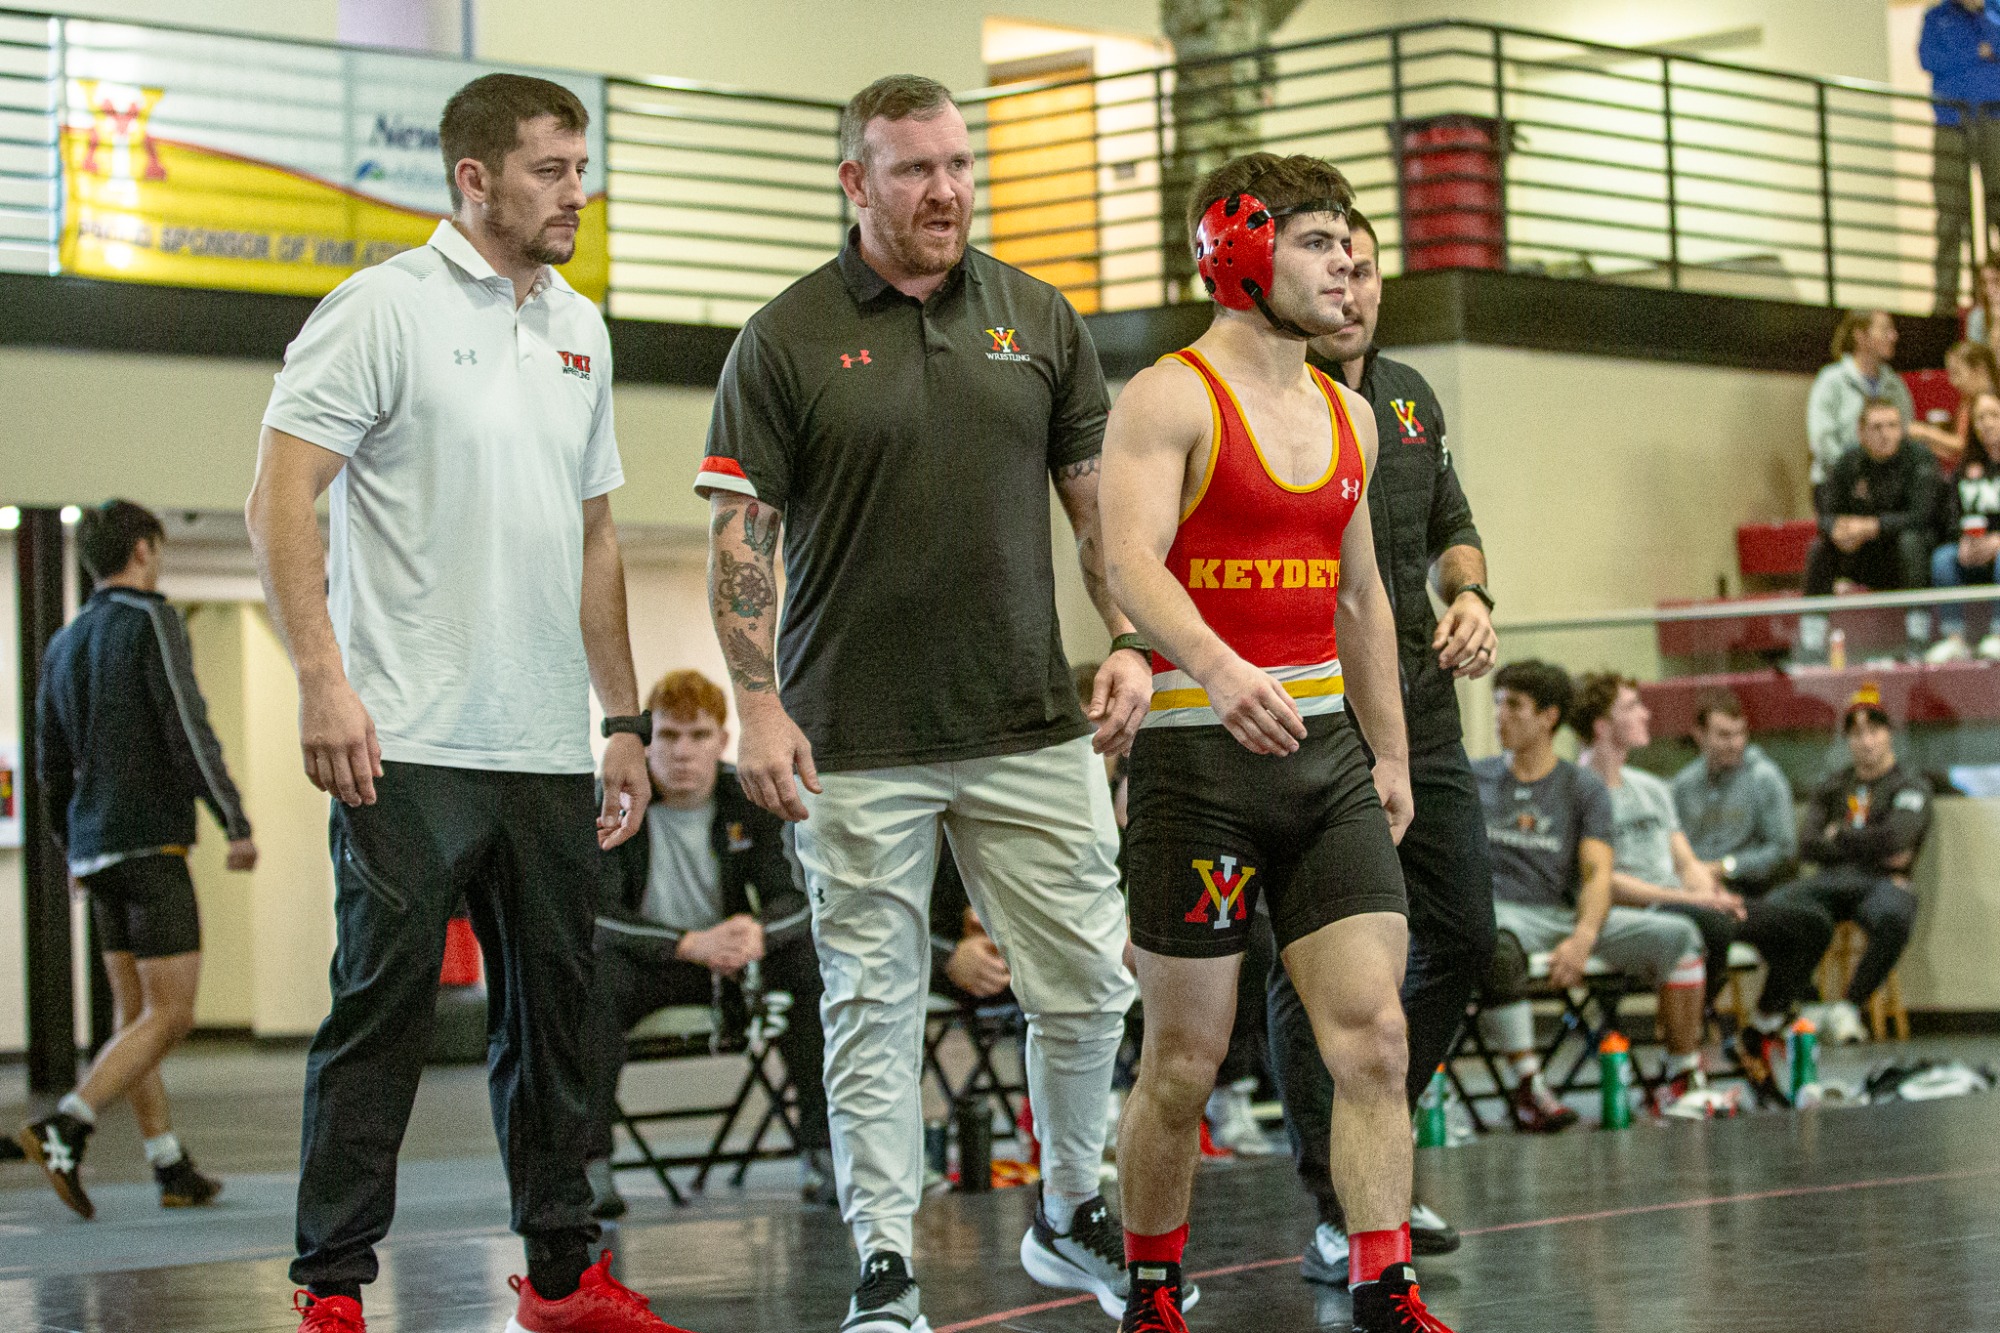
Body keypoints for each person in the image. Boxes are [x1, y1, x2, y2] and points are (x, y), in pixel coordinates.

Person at [695, 74, 1144, 1333]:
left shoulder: (1037, 316)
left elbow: (1095, 507)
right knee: (872, 1008)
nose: (945, 189)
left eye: (957, 163)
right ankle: (885, 1260)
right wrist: (756, 703)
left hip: (1025, 720)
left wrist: (1125, 640)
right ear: (854, 182)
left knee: (1086, 987)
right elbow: (743, 535)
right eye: (912, 169)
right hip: (853, 739)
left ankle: (1068, 1210)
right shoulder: (781, 338)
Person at [247, 74, 691, 1333]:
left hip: (550, 741)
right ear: (474, 179)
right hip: (405, 740)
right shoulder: (377, 309)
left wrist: (618, 719)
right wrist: (322, 680)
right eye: (550, 169)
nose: (576, 191)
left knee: (559, 1021)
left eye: (580, 165)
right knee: (379, 1012)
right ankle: (331, 1284)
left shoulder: (583, 329)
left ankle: (562, 1275)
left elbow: (596, 536)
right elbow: (280, 499)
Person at [1102, 151, 1456, 1333]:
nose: (1348, 262)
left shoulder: (1351, 412)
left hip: (1323, 763)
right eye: (1317, 243)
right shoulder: (1167, 395)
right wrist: (1211, 665)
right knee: (1183, 1060)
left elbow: (1362, 600)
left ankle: (1381, 1278)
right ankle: (1151, 1282)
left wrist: (1391, 754)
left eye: (1356, 246)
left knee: (1373, 1033)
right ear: (1238, 252)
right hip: (1198, 761)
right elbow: (1125, 563)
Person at [1266, 203, 1497, 1284]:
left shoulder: (1406, 395)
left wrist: (1473, 595)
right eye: (1330, 265)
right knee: (1310, 963)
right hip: (1310, 714)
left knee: (1465, 930)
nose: (1349, 288)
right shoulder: (1265, 398)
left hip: (1423, 705)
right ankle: (1339, 1200)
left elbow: (1451, 524)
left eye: (1364, 269)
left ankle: (1374, 1150)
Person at [21, 499, 256, 1219]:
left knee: (134, 1014)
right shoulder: (152, 620)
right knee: (173, 1013)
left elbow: (49, 764)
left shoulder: (63, 643)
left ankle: (169, 1164)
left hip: (96, 850)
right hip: (151, 842)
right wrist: (233, 817)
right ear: (146, 550)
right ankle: (68, 1122)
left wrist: (70, 846)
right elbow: (188, 725)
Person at [580, 669, 830, 1220]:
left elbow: (797, 899)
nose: (684, 753)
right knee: (591, 980)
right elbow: (597, 918)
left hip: (733, 964)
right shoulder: (613, 802)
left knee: (808, 966)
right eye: (669, 736)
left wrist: (758, 934)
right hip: (652, 963)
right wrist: (686, 942)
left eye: (699, 736)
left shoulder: (750, 799)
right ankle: (590, 1165)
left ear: (723, 740)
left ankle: (824, 1152)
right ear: (645, 742)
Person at [1573, 674, 1832, 1108]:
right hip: (1641, 909)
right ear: (1602, 725)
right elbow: (1603, 882)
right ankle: (1682, 1062)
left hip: (1684, 900)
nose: (1647, 713)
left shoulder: (1652, 788)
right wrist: (1697, 900)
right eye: (1633, 706)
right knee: (1711, 927)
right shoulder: (1577, 789)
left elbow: (1685, 861)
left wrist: (1709, 889)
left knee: (1809, 923)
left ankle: (1759, 1032)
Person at [1473, 661, 1708, 1134]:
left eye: (1514, 706)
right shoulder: (1473, 779)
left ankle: (1680, 1076)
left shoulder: (1582, 787)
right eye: (1498, 705)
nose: (1501, 717)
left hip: (1562, 916)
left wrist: (1583, 937)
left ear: (1549, 718)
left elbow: (1599, 872)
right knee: (1491, 941)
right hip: (1505, 916)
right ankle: (1528, 1085)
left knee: (1681, 936)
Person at [1759, 685, 1933, 1047]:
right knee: (1770, 911)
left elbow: (1898, 841)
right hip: (1831, 883)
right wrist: (1872, 844)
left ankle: (1849, 1006)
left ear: (1889, 734)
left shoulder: (1909, 783)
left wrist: (1840, 837)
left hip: (1882, 884)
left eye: (1874, 731)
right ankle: (1810, 1005)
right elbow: (1807, 845)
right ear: (1847, 740)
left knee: (1894, 916)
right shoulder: (1834, 785)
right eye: (1857, 734)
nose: (1866, 742)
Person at [1805, 397, 1941, 655]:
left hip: (1905, 558)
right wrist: (1836, 529)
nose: (1885, 434)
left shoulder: (1919, 459)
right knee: (1819, 549)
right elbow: (1826, 513)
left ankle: (1917, 637)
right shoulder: (1849, 462)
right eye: (1877, 427)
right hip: (1863, 556)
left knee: (1910, 541)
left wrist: (1871, 526)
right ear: (1861, 432)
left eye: (1892, 426)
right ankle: (1811, 642)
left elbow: (1923, 516)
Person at [1671, 690, 1799, 898]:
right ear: (1699, 735)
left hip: (1748, 886)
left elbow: (1783, 851)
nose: (1735, 744)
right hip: (1693, 887)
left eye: (1740, 734)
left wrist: (1724, 867)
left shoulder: (1764, 778)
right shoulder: (1684, 785)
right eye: (1724, 735)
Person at [1920, 0, 2000, 314]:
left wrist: (1984, 28)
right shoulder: (1936, 17)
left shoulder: (1995, 9)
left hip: (1994, 120)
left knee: (1999, 205)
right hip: (1950, 123)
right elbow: (1929, 59)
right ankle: (1945, 299)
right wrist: (1977, 53)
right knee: (1950, 213)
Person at [1926, 387, 2000, 659]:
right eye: (1980, 418)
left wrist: (1996, 541)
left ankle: (1998, 633)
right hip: (1974, 549)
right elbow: (1951, 515)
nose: (1987, 423)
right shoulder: (1965, 468)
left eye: (1994, 415)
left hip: (1998, 550)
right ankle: (1954, 638)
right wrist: (1964, 542)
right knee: (1943, 558)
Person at [1806, 312, 1914, 492]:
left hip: (1885, 485)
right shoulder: (1832, 380)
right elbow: (1822, 438)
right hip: (1836, 485)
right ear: (1861, 336)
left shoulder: (1895, 384)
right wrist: (1853, 474)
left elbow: (1905, 433)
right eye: (1885, 330)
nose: (1894, 336)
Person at [1908, 339, 1999, 467]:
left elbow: (1964, 445)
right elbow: (1958, 454)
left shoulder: (1991, 400)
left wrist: (1924, 432)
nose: (1952, 381)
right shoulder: (1967, 402)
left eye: (1957, 373)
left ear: (1979, 370)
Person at [1963, 256, 2000, 349]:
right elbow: (1976, 356)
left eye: (1996, 281)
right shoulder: (1978, 316)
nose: (1989, 289)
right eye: (1985, 283)